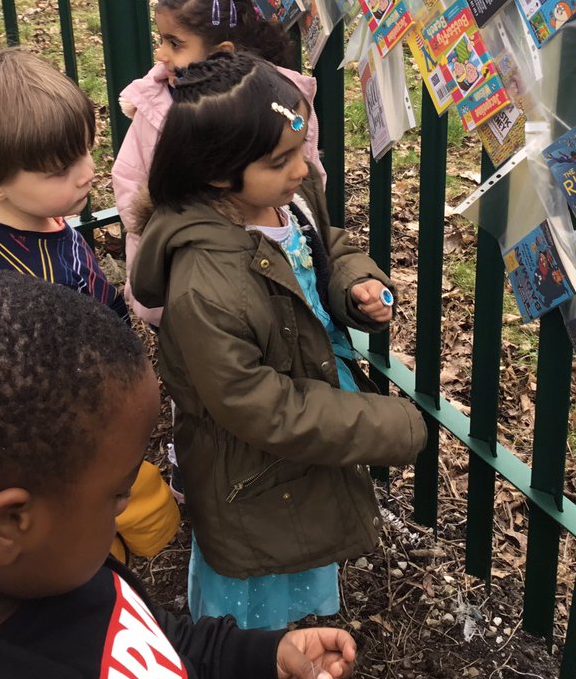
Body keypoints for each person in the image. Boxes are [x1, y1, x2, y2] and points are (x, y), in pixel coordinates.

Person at [0, 274, 356, 679]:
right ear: (9, 525)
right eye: (118, 492)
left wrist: (249, 665)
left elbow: (147, 641)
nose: (127, 504)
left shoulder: (48, 569)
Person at [130, 52, 426, 636]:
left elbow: (326, 246)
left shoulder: (282, 199)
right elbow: (257, 405)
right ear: (218, 173)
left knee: (303, 549)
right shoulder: (205, 288)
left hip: (310, 419)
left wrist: (356, 285)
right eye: (281, 159)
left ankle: (300, 651)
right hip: (252, 472)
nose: (302, 168)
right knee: (256, 583)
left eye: (300, 147)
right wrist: (380, 423)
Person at [0, 46, 178, 564]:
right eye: (59, 169)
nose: (88, 172)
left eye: (87, 151)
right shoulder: (4, 295)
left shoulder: (37, 217)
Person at [113, 0, 325, 329]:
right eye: (161, 40)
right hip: (191, 268)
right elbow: (131, 182)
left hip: (274, 253)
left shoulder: (281, 102)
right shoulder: (155, 107)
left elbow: (307, 174)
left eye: (175, 44)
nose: (160, 54)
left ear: (223, 52)